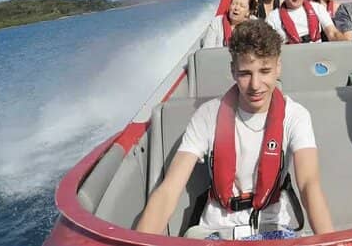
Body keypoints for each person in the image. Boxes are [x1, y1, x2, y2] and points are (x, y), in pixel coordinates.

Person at [136, 20, 334, 240]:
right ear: (233, 70)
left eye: (265, 71)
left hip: (274, 228)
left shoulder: (296, 116)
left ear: (278, 67)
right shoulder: (207, 116)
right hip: (216, 233)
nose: (256, 84)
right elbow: (169, 190)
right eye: (245, 73)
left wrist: (330, 242)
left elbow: (309, 184)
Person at [266, 0, 343, 44]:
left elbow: (332, 33)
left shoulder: (317, 8)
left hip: (317, 56)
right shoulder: (273, 18)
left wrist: (346, 44)